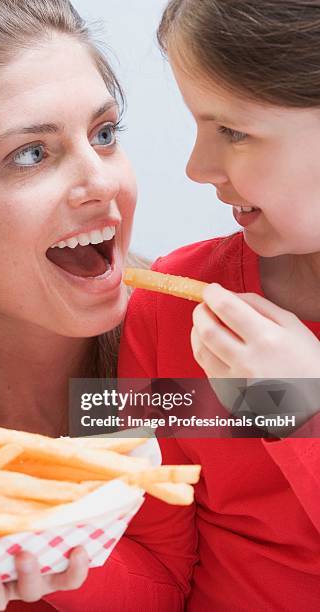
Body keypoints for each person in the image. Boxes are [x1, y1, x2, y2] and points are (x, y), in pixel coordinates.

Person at [0, 2, 186, 611]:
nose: (102, 183)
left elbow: (186, 588)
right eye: (32, 153)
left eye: (105, 134)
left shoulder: (198, 360)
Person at [119, 1, 320, 610]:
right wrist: (46, 552)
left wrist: (297, 410)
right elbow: (150, 556)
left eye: (233, 130)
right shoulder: (166, 306)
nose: (195, 167)